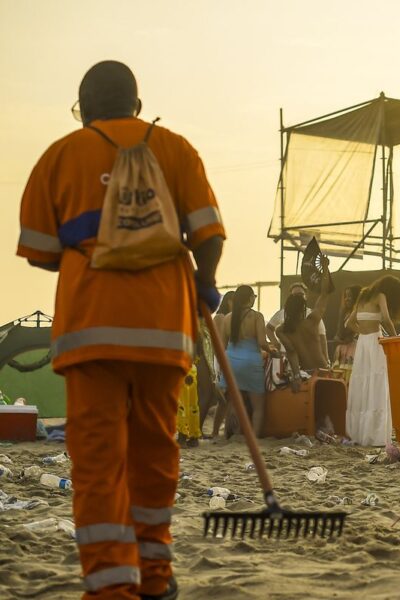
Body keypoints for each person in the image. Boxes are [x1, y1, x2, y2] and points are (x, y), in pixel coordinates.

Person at [17, 60, 225, 599]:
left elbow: (39, 251)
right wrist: (204, 283)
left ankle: (112, 586)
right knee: (155, 453)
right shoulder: (176, 149)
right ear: (137, 104)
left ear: (84, 108)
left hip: (91, 332)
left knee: (98, 463)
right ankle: (154, 576)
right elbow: (209, 234)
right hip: (163, 329)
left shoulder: (61, 155)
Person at [344, 275, 400, 446]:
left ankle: (359, 432)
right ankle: (376, 434)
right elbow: (386, 319)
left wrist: (362, 332)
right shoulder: (380, 296)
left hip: (362, 343)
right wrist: (395, 338)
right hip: (375, 342)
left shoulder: (363, 296)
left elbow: (349, 323)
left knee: (362, 384)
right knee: (378, 383)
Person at [219, 285, 269, 438]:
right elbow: (262, 342)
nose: (254, 299)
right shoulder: (257, 316)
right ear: (250, 298)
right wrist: (272, 350)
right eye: (254, 296)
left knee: (234, 403)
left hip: (231, 362)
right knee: (258, 406)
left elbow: (222, 345)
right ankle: (253, 437)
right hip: (251, 362)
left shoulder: (228, 318)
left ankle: (230, 435)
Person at [276, 263, 336, 387]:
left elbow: (291, 352)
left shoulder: (282, 330)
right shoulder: (312, 320)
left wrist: (296, 376)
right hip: (322, 371)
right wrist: (325, 269)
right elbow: (325, 293)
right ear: (303, 307)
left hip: (305, 374)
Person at [198, 291, 234, 438]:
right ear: (229, 301)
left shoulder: (225, 318)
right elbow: (217, 341)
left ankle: (205, 430)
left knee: (219, 397)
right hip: (212, 358)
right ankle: (198, 429)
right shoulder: (220, 317)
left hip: (214, 358)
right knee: (210, 395)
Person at [267, 281, 329, 365]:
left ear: (306, 296)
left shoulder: (312, 315)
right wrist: (276, 344)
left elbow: (322, 337)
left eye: (300, 295)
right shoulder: (282, 314)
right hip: (287, 358)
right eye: (295, 295)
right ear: (290, 297)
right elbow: (269, 328)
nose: (298, 297)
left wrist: (326, 359)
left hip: (309, 359)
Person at [332, 285, 362, 378]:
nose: (346, 299)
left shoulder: (358, 313)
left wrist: (342, 339)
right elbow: (338, 334)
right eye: (345, 296)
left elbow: (351, 335)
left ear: (356, 297)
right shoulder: (345, 312)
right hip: (342, 350)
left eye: (349, 296)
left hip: (353, 350)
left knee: (349, 377)